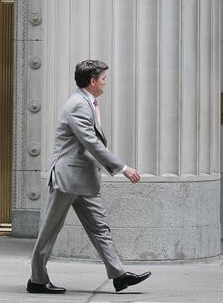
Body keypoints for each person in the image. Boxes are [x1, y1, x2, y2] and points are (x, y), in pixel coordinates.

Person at [28, 60, 151, 294]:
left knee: (100, 227)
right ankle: (37, 279)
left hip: (83, 178)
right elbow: (91, 143)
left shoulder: (88, 102)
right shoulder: (78, 105)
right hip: (68, 178)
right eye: (104, 78)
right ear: (92, 81)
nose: (106, 83)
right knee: (50, 229)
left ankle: (119, 275)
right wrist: (123, 168)